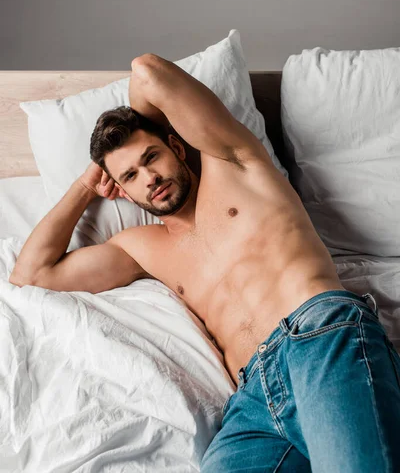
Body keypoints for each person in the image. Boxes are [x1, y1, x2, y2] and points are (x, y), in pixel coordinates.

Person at [10, 54, 400, 472]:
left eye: (151, 158)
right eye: (130, 177)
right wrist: (88, 182)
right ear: (121, 191)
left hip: (318, 336)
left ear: (176, 146)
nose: (149, 179)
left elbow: (147, 72)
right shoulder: (140, 247)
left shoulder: (233, 162)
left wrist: (129, 130)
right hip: (251, 402)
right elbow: (32, 275)